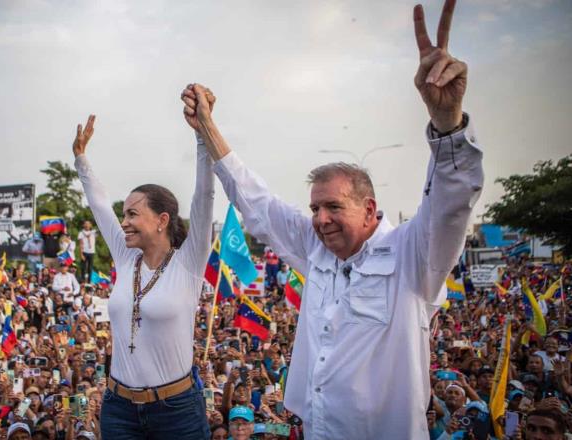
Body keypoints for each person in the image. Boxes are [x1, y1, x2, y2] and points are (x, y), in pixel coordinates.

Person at [180, 0, 483, 436]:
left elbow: (452, 203)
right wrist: (207, 128)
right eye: (315, 208)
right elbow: (256, 203)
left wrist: (448, 122)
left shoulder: (413, 257)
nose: (320, 220)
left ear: (370, 209)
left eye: (334, 207)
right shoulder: (315, 250)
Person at [72, 112, 214, 439]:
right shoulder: (125, 256)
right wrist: (81, 158)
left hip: (176, 411)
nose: (123, 222)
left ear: (162, 220)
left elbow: (204, 197)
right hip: (119, 410)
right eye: (123, 214)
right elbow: (99, 205)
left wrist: (202, 135)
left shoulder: (189, 263)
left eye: (133, 214)